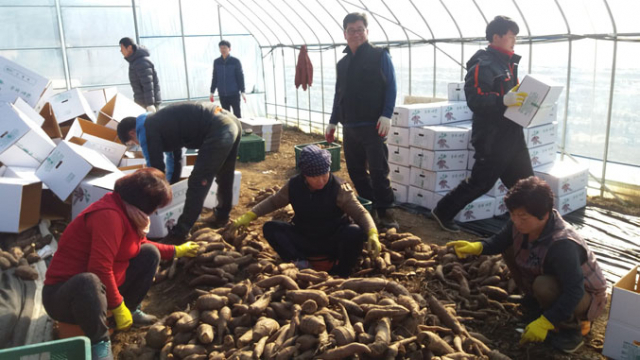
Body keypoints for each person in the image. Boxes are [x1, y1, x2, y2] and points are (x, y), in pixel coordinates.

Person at [43, 168, 199, 360]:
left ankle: (132, 310)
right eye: (156, 206)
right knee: (88, 281)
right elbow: (99, 268)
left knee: (150, 253)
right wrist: (117, 305)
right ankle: (98, 341)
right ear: (144, 202)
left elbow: (137, 244)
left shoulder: (127, 210)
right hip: (65, 296)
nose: (156, 211)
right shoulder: (109, 216)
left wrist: (176, 251)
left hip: (99, 291)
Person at [447, 176, 606, 354]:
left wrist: (546, 322)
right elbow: (499, 241)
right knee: (509, 248)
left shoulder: (563, 245)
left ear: (544, 214)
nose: (516, 221)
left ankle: (571, 331)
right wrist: (476, 247)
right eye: (513, 214)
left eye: (522, 217)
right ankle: (535, 302)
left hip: (585, 296)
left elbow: (574, 290)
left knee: (544, 286)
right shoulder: (520, 222)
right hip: (556, 277)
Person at [431, 16, 532, 232]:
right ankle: (443, 211)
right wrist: (503, 100)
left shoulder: (507, 63)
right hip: (492, 136)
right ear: (496, 37)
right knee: (481, 182)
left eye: (515, 36)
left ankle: (524, 218)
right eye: (511, 36)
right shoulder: (482, 64)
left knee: (525, 182)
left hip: (512, 131)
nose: (514, 40)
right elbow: (475, 99)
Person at [231, 145, 381, 277]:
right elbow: (273, 201)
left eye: (324, 175)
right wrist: (250, 215)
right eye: (315, 177)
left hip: (332, 241)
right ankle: (300, 262)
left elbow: (361, 213)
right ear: (305, 175)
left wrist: (372, 233)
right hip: (305, 238)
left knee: (355, 232)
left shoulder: (339, 189)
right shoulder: (294, 185)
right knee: (271, 228)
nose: (321, 181)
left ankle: (340, 272)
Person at [117, 102, 241, 244]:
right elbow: (175, 158)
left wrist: (151, 200)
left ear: (132, 133)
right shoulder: (159, 121)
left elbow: (154, 170)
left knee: (198, 181)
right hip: (230, 121)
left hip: (219, 127)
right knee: (225, 175)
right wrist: (171, 185)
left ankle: (180, 233)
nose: (137, 144)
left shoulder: (145, 130)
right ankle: (222, 217)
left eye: (133, 143)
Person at [325, 12, 398, 230]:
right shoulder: (343, 63)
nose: (356, 33)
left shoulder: (379, 55)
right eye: (351, 30)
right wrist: (332, 121)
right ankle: (370, 205)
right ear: (345, 34)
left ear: (366, 31)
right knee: (356, 171)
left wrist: (387, 114)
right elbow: (340, 94)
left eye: (360, 29)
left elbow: (392, 86)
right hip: (350, 125)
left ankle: (386, 212)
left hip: (373, 124)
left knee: (378, 170)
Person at [119, 37, 161, 113]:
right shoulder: (135, 61)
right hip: (143, 103)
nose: (121, 51)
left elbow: (148, 84)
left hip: (149, 104)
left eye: (122, 48)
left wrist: (150, 104)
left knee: (151, 124)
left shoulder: (141, 62)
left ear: (129, 47)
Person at [210, 40, 246, 118]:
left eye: (225, 48)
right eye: (221, 48)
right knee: (226, 115)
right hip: (222, 94)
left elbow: (240, 76)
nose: (223, 50)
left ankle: (239, 129)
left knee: (237, 114)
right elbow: (215, 77)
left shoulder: (235, 61)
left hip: (234, 93)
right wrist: (212, 91)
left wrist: (242, 91)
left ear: (229, 49)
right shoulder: (217, 62)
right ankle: (228, 130)